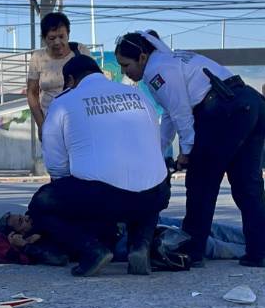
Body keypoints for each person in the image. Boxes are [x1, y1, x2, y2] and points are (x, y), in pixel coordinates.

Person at [115, 31, 265, 268]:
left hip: (223, 111)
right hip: (251, 104)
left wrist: (187, 151)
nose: (124, 71)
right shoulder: (174, 59)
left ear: (142, 57)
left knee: (200, 184)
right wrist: (157, 151)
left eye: (126, 65)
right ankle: (260, 252)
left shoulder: (156, 71)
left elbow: (181, 113)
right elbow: (170, 115)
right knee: (248, 185)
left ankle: (191, 252)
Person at [34, 54, 170, 276]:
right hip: (157, 193)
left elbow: (56, 166)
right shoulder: (137, 94)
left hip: (103, 197)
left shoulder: (63, 103)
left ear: (70, 80)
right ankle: (140, 246)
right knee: (148, 185)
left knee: (41, 202)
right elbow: (154, 145)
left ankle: (92, 250)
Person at [26, 11, 81, 130]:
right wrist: (41, 125)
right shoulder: (37, 57)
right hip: (50, 123)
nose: (57, 42)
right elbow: (32, 93)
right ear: (44, 38)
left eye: (61, 37)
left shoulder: (80, 51)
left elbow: (93, 83)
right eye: (52, 38)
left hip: (78, 121)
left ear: (68, 34)